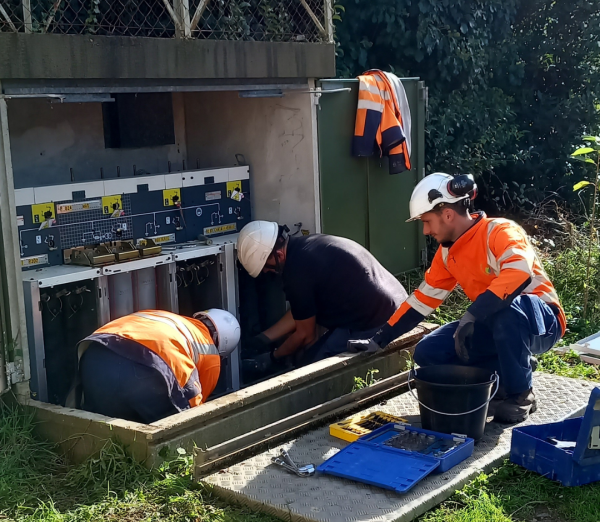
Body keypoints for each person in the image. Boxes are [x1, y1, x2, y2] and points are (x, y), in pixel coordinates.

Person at [348, 172, 565, 424]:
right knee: (430, 352)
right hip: (493, 321)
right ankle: (504, 380)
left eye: (427, 221)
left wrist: (472, 315)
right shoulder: (447, 253)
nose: (426, 230)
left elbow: (518, 274)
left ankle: (521, 395)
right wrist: (378, 339)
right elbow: (422, 301)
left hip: (541, 322)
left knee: (505, 312)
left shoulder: (500, 231)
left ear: (448, 215)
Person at [237, 221, 408, 373]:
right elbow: (301, 312)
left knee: (310, 371)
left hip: (378, 323)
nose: (268, 272)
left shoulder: (296, 273)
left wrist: (272, 358)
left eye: (267, 268)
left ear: (278, 256)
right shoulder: (307, 247)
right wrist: (262, 339)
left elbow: (306, 335)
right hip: (397, 305)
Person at [78, 308, 240, 424]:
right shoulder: (211, 353)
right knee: (171, 437)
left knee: (102, 431)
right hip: (145, 371)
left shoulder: (169, 318)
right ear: (223, 347)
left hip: (94, 356)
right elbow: (195, 406)